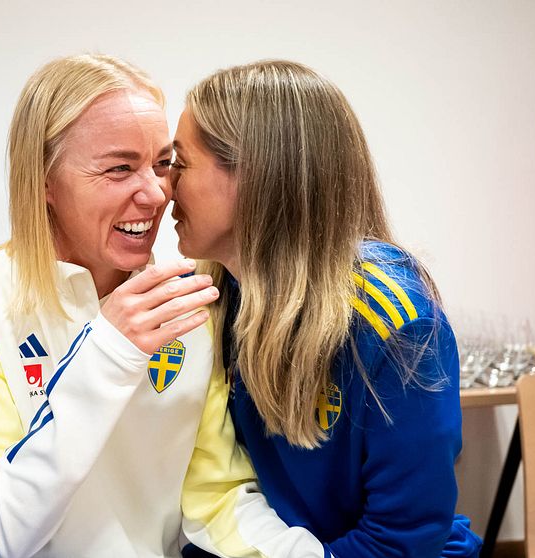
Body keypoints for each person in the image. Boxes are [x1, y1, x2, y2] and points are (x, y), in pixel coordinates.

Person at [0, 54, 326, 558]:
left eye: (163, 164)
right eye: (119, 168)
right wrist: (108, 350)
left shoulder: (192, 298)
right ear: (43, 181)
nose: (155, 194)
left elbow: (215, 499)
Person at [170, 59, 483, 557]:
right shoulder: (219, 297)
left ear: (254, 177)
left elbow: (403, 539)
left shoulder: (394, 319)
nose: (164, 185)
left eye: (179, 163)